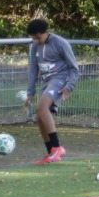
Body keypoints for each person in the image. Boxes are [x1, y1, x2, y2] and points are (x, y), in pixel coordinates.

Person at [21, 18, 79, 164]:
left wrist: (69, 86)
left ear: (46, 32)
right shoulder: (35, 46)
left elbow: (74, 69)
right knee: (39, 116)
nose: (36, 41)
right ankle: (51, 153)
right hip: (46, 82)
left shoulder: (60, 43)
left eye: (38, 37)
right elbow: (33, 70)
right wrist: (30, 93)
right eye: (33, 38)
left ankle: (57, 147)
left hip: (60, 79)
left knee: (42, 107)